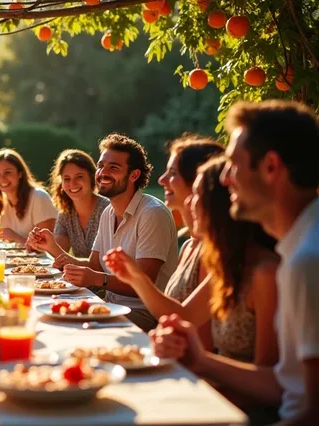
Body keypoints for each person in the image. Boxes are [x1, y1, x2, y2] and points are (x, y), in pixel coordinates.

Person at [150, 100, 319, 425]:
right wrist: (201, 361)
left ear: (271, 167)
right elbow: (285, 387)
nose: (225, 179)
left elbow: (312, 411)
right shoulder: (296, 249)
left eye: (232, 164)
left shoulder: (307, 260)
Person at [104, 157, 279, 369]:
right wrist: (136, 278)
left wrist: (200, 363)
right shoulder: (229, 263)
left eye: (196, 195)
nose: (187, 202)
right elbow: (186, 317)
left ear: (219, 203)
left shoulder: (264, 272)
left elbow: (272, 380)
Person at [54, 133, 179, 331]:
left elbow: (144, 284)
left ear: (134, 175)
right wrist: (70, 264)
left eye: (114, 168)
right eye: (101, 165)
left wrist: (96, 279)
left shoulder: (152, 214)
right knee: (58, 315)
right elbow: (95, 265)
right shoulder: (108, 212)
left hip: (146, 314)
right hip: (110, 306)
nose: (103, 173)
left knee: (79, 330)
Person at [155, 136, 224, 302]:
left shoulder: (215, 251)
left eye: (172, 173)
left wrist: (136, 278)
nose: (161, 180)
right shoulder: (187, 246)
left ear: (198, 181)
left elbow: (194, 321)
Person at [26, 149, 110, 259]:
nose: (72, 184)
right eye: (67, 179)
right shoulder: (66, 213)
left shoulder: (107, 209)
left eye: (79, 177)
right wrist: (40, 244)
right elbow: (60, 251)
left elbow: (102, 264)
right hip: (80, 275)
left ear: (92, 177)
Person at [0, 148, 58, 244]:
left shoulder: (39, 197)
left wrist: (15, 237)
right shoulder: (1, 202)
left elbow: (46, 246)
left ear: (20, 173)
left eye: (7, 172)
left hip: (43, 258)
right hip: (15, 258)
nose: (2, 178)